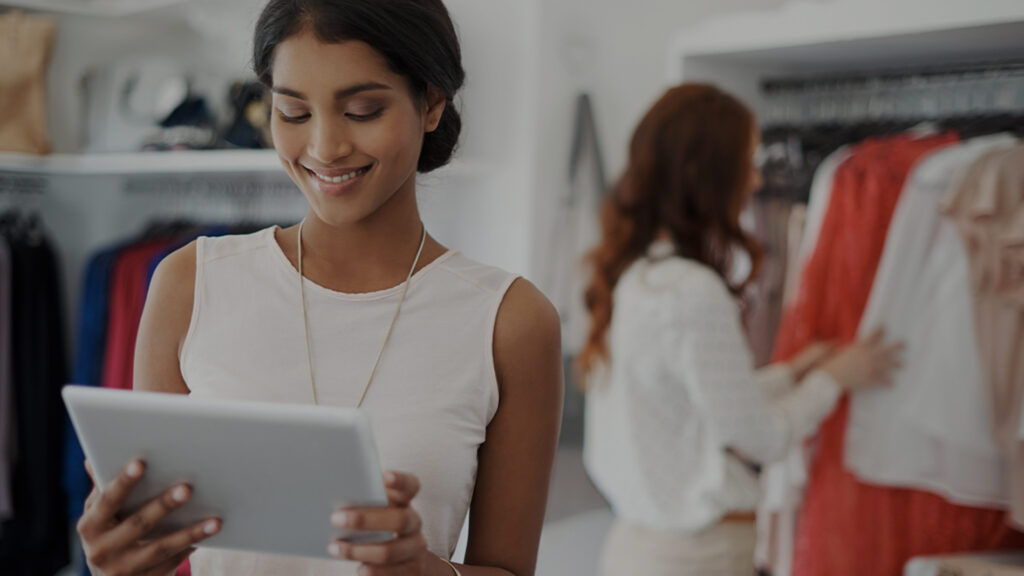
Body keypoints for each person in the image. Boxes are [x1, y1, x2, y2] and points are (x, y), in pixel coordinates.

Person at [74, 1, 564, 575]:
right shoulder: (191, 282)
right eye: (294, 112)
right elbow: (153, 536)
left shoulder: (509, 321)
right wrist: (120, 562)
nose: (325, 147)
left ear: (431, 102)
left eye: (362, 109)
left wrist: (422, 571)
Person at [579, 83, 902, 576]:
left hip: (637, 548)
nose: (755, 182)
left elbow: (699, 406)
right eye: (747, 163)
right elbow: (762, 438)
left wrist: (791, 373)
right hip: (696, 557)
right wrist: (835, 378)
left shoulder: (637, 276)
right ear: (707, 173)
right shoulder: (691, 291)